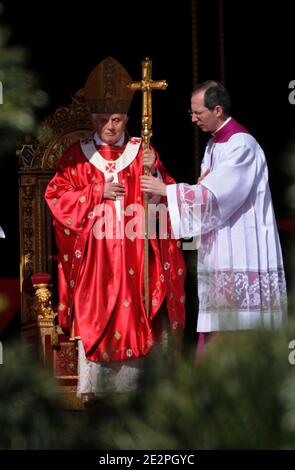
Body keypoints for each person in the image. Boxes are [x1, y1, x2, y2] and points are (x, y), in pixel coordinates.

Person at [45, 57, 186, 402]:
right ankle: (95, 388)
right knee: (98, 313)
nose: (110, 124)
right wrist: (96, 192)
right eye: (104, 118)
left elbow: (165, 200)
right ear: (92, 117)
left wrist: (156, 177)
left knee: (137, 308)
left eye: (118, 118)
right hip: (96, 259)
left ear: (127, 116)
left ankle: (136, 388)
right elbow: (56, 196)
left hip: (137, 253)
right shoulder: (76, 156)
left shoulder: (143, 152)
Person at [141, 80, 287, 357]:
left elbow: (217, 196)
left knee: (236, 327)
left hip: (242, 246)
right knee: (219, 322)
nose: (193, 119)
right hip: (221, 244)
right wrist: (172, 184)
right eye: (191, 113)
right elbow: (205, 192)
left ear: (217, 110)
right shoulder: (214, 145)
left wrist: (166, 191)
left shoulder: (241, 145)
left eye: (198, 113)